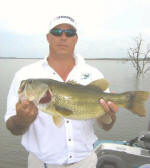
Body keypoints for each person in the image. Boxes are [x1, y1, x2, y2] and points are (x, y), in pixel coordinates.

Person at [5, 15, 118, 168]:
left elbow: (107, 126)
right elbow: (12, 127)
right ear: (48, 37)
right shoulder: (23, 75)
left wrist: (110, 115)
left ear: (76, 38)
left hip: (86, 163)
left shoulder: (94, 75)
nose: (63, 37)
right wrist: (21, 120)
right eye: (57, 32)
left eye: (69, 33)